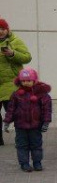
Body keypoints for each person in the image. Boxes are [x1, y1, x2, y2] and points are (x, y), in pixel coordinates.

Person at [2, 68, 51, 172]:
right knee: (21, 145)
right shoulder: (16, 95)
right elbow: (10, 109)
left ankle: (37, 162)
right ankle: (24, 163)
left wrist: (46, 122)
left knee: (36, 145)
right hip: (20, 126)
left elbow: (46, 109)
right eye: (23, 81)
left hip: (35, 125)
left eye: (28, 80)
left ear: (34, 80)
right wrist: (6, 122)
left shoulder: (41, 94)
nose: (26, 83)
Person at [0, 18, 32, 147]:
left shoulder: (15, 41)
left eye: (2, 29)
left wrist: (13, 53)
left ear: (8, 30)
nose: (0, 32)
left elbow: (27, 57)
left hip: (11, 83)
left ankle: (22, 137)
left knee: (15, 112)